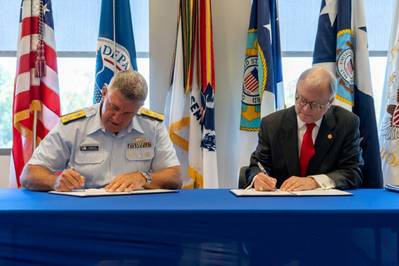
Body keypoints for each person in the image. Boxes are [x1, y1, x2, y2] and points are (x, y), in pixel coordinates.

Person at [21, 70, 182, 192]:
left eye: (128, 113)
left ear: (139, 108)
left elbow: (175, 176)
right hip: (85, 212)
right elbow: (28, 174)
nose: (118, 118)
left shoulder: (152, 126)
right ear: (104, 93)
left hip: (135, 211)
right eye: (114, 107)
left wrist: (143, 178)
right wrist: (54, 182)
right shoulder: (73, 126)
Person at [246, 66, 363, 191]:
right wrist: (258, 177)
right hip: (282, 203)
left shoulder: (346, 123)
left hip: (326, 206)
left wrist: (314, 181)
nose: (306, 109)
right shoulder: (272, 124)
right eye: (302, 100)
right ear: (296, 92)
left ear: (330, 102)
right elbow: (256, 166)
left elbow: (353, 172)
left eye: (315, 104)